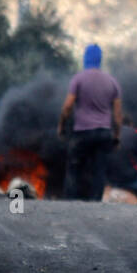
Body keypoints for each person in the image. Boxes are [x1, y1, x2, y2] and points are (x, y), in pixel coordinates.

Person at [57, 44, 122, 201]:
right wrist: (117, 136)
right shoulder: (112, 82)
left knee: (74, 167)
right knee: (99, 170)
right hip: (104, 132)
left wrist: (61, 125)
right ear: (100, 59)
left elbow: (67, 106)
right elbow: (118, 115)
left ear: (85, 58)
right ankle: (95, 201)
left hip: (83, 132)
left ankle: (71, 200)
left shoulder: (78, 79)